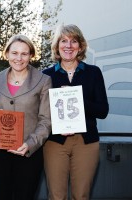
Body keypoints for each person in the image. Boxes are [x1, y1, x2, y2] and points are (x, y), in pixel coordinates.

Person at [42, 24, 109, 200]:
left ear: (80, 46)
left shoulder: (93, 73)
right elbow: (40, 113)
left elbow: (103, 110)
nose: (68, 46)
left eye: (73, 41)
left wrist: (77, 100)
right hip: (55, 141)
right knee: (56, 196)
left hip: (86, 142)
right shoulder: (46, 75)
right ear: (57, 46)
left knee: (81, 195)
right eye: (63, 41)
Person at [0, 34, 52, 200]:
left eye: (24, 53)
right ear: (7, 54)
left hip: (28, 154)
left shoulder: (43, 80)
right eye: (14, 53)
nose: (19, 58)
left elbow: (46, 120)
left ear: (31, 55)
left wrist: (29, 144)